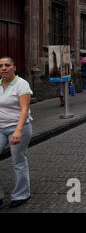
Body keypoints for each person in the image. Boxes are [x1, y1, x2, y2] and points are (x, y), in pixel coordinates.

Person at [0, 57, 33, 208]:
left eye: (7, 65)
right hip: (1, 127)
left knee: (17, 159)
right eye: (1, 66)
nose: (4, 68)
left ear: (14, 67)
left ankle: (21, 193)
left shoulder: (21, 84)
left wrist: (18, 130)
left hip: (19, 126)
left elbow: (24, 109)